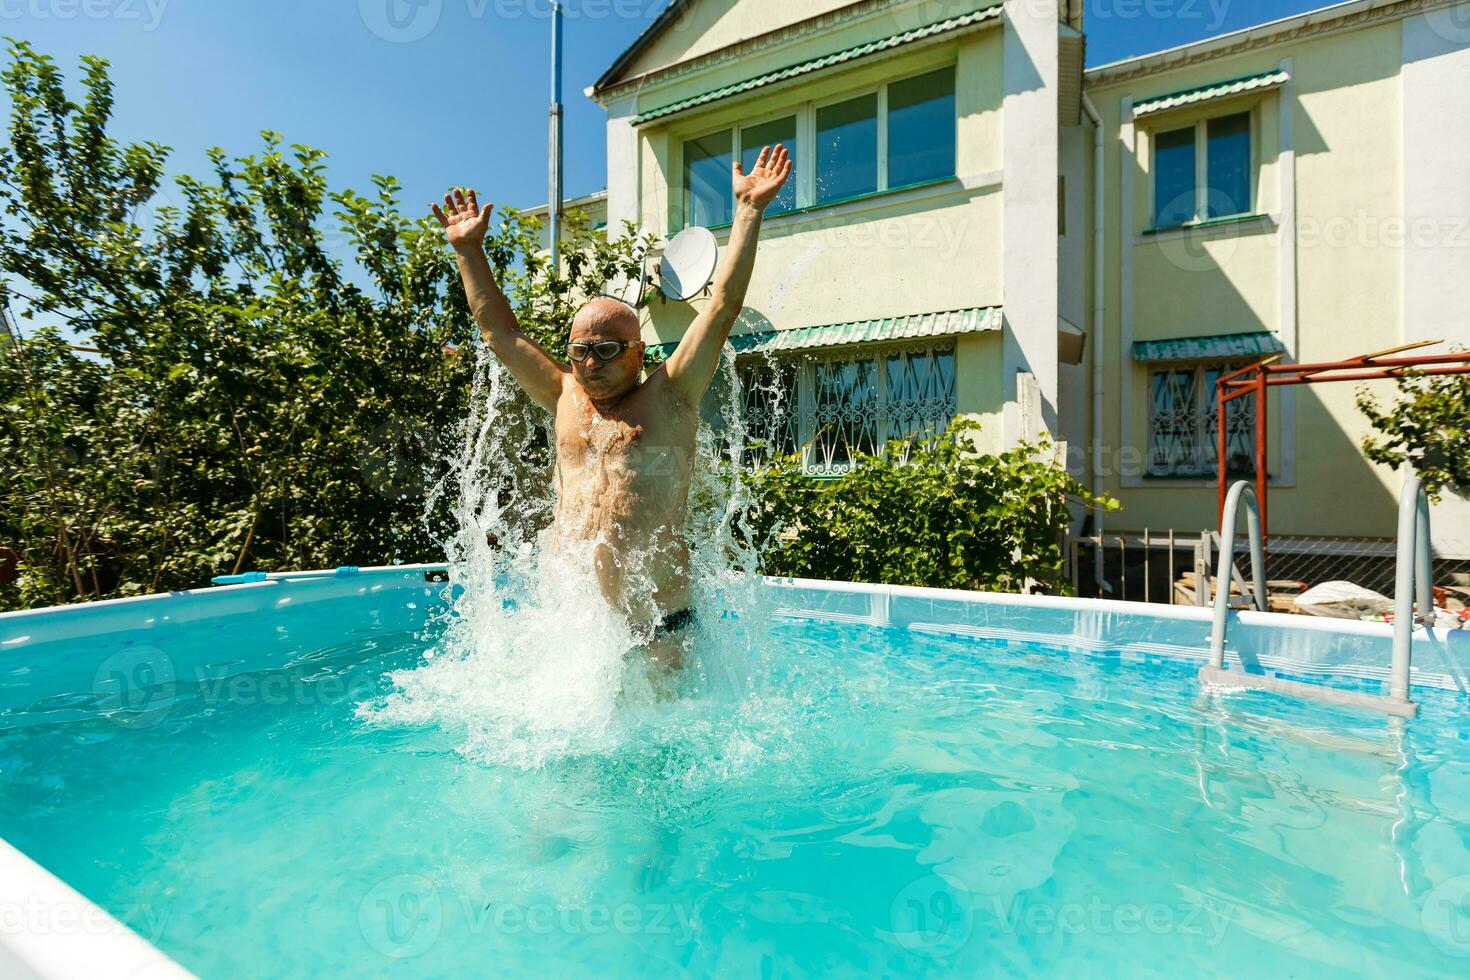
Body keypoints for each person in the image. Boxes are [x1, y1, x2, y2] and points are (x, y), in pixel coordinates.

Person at [433, 144, 792, 670]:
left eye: (606, 350)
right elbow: (500, 332)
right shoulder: (562, 395)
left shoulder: (670, 393)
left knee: (660, 747)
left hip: (660, 622)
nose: (590, 363)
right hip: (574, 625)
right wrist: (469, 252)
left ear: (638, 352)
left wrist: (748, 212)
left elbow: (720, 308)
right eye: (579, 351)